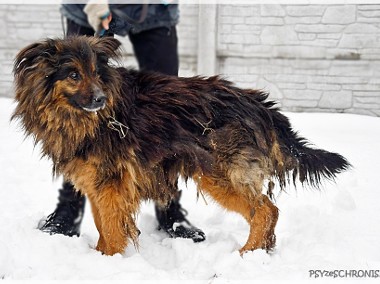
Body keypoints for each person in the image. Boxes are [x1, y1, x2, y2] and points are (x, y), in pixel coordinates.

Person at [38, 1, 206, 243]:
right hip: (88, 8)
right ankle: (69, 208)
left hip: (154, 10)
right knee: (73, 110)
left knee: (166, 110)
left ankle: (168, 207)